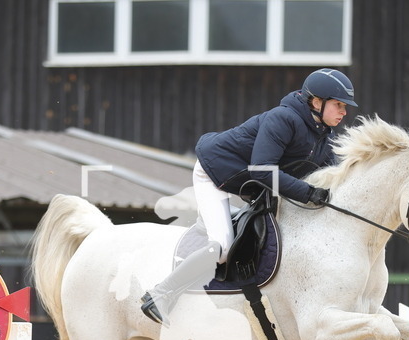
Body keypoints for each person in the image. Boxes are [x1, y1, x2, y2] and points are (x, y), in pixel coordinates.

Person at [140, 68, 357, 325]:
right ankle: (160, 294)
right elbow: (262, 169)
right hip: (215, 174)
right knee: (222, 247)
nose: (344, 112)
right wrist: (309, 193)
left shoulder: (323, 135)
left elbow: (332, 175)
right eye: (338, 105)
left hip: (248, 184)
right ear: (316, 101)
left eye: (344, 106)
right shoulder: (283, 118)